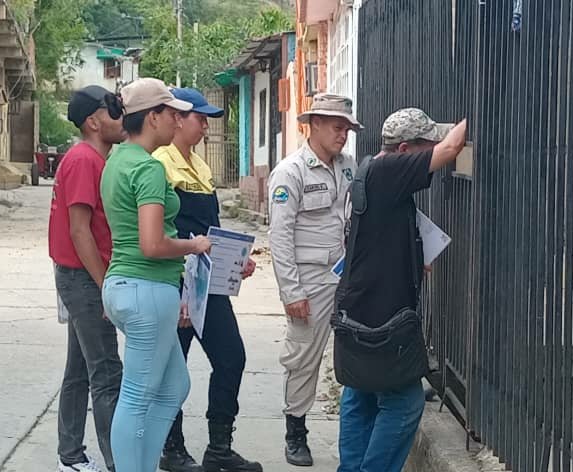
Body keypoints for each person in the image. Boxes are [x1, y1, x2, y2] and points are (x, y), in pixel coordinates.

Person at [333, 108, 468, 472]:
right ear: (406, 149)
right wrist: (482, 109)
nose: (433, 150)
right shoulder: (388, 171)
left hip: (359, 306)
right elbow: (453, 147)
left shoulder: (367, 170)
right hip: (381, 314)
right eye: (427, 146)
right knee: (405, 401)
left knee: (360, 393)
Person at [99, 78, 210, 472]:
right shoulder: (148, 169)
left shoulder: (117, 160)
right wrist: (193, 246)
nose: (178, 122)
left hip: (126, 286)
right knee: (137, 394)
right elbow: (153, 244)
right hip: (146, 285)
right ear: (153, 117)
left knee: (174, 385)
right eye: (173, 113)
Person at [152, 87, 262, 472]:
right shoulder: (160, 164)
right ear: (177, 118)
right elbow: (161, 230)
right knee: (173, 367)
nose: (206, 127)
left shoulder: (199, 167)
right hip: (175, 280)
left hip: (208, 283)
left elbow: (210, 232)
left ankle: (219, 447)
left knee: (232, 357)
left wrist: (236, 261)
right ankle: (172, 447)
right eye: (200, 118)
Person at [266, 93, 361, 467]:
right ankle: (296, 433)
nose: (343, 135)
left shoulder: (350, 168)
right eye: (338, 127)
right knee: (303, 357)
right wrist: (292, 292)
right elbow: (279, 237)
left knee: (356, 353)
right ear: (314, 124)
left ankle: (353, 430)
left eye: (348, 129)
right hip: (309, 280)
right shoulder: (290, 173)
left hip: (347, 276)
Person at [48, 85, 128, 472]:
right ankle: (119, 463)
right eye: (114, 110)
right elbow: (80, 230)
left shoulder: (98, 159)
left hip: (83, 276)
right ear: (94, 121)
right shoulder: (83, 160)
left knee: (80, 369)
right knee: (107, 371)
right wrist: (104, 286)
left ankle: (71, 456)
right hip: (84, 278)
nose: (121, 117)